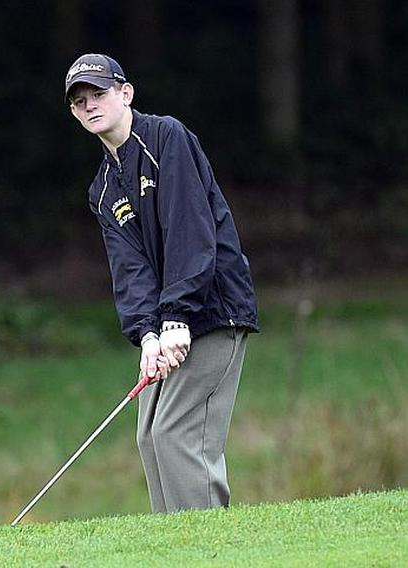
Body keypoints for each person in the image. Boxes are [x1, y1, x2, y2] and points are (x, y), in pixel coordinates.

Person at [64, 53, 259, 513]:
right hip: (172, 321)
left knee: (176, 432)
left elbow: (190, 231)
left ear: (125, 93)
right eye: (80, 101)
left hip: (212, 311)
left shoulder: (165, 138)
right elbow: (129, 269)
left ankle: (208, 549)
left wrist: (175, 316)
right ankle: (171, 548)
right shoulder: (104, 189)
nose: (91, 106)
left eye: (100, 93)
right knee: (149, 435)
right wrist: (147, 331)